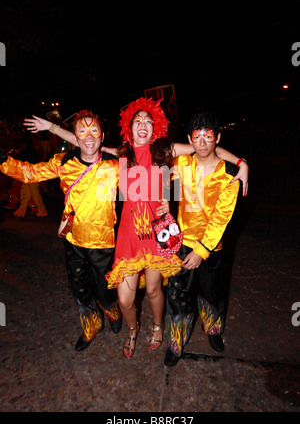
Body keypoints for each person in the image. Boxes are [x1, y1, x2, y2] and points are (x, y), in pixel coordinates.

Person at [24, 99, 249, 359]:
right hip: (129, 236)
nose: (143, 125)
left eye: (148, 121)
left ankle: (157, 325)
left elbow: (207, 148)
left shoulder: (166, 149)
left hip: (156, 235)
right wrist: (51, 127)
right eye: (137, 121)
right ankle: (133, 328)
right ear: (128, 128)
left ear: (156, 127)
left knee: (154, 290)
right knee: (125, 300)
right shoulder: (121, 154)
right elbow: (86, 142)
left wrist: (241, 163)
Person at [0, 110, 122, 352]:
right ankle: (91, 324)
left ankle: (112, 310)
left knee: (105, 291)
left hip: (103, 245)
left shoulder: (115, 166)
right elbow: (31, 173)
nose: (88, 136)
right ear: (75, 137)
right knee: (79, 288)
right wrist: (3, 161)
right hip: (73, 240)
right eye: (82, 132)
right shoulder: (65, 163)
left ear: (103, 136)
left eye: (94, 131)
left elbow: (148, 169)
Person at [164, 110, 241, 367]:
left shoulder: (230, 174)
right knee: (177, 297)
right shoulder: (183, 164)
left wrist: (201, 251)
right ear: (190, 139)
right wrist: (164, 201)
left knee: (212, 294)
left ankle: (213, 330)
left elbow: (222, 218)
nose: (203, 143)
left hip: (211, 247)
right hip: (181, 244)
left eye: (208, 136)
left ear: (217, 137)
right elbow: (161, 174)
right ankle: (175, 343)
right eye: (197, 137)